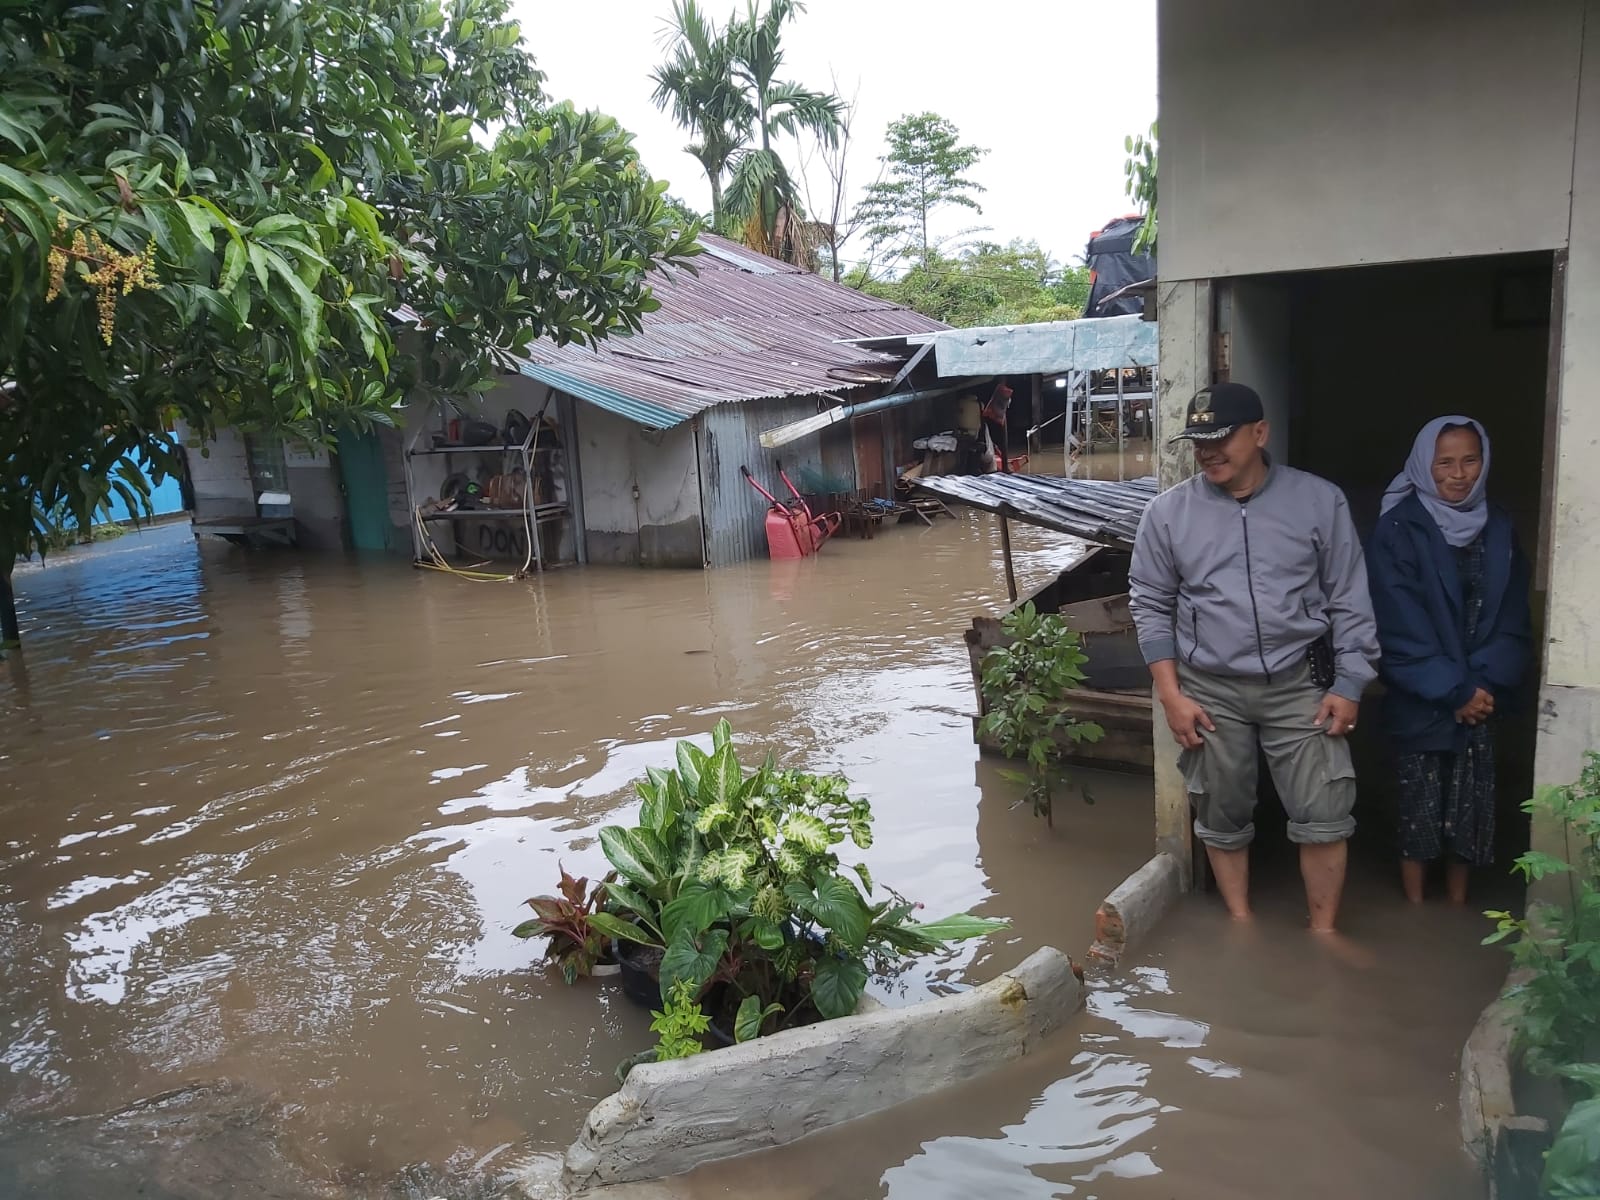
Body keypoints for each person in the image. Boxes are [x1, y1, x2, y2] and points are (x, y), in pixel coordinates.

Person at [1129, 383, 1380, 934]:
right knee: (1220, 811)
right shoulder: (1167, 514)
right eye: (1199, 441)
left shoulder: (1318, 501)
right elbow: (1150, 605)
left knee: (1324, 812)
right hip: (1209, 687)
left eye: (1222, 437)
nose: (1209, 451)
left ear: (1260, 433)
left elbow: (1349, 596)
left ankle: (1323, 934)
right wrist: (1171, 695)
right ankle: (1241, 925)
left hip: (1300, 681)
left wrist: (1350, 682)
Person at [1365, 417, 1531, 904]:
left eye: (1469, 461)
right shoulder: (1397, 528)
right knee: (1417, 808)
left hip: (1483, 693)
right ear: (1423, 465)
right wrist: (1453, 690)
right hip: (1422, 694)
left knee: (1472, 808)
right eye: (1445, 463)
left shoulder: (1499, 525)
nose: (1458, 474)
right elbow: (1395, 623)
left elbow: (1513, 618)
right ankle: (1417, 913)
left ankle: (1457, 907)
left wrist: (1482, 686)